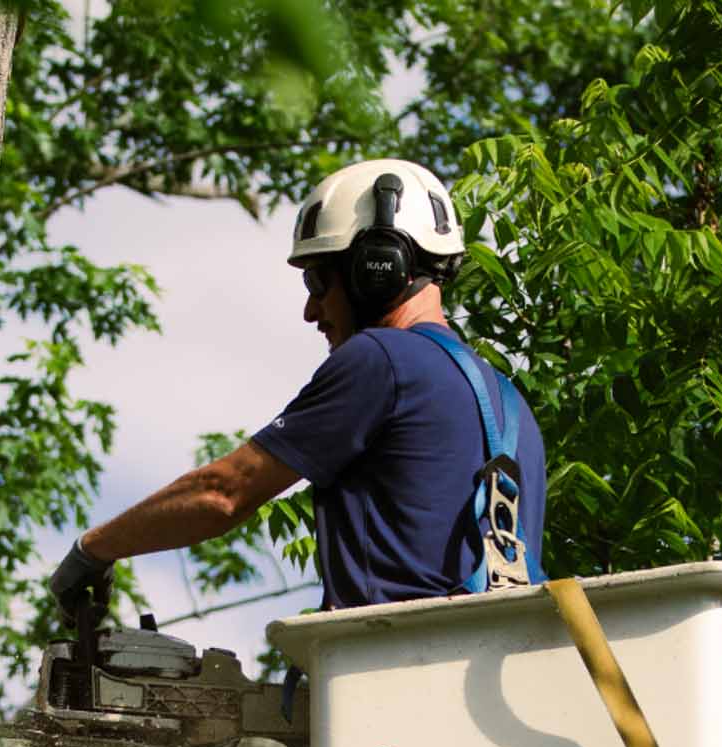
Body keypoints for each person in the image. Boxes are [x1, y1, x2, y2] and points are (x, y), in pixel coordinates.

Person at [47, 158, 548, 617]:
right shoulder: (511, 405)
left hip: (393, 677)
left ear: (376, 268)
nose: (311, 311)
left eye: (317, 283)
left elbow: (223, 493)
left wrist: (93, 550)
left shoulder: (383, 359)